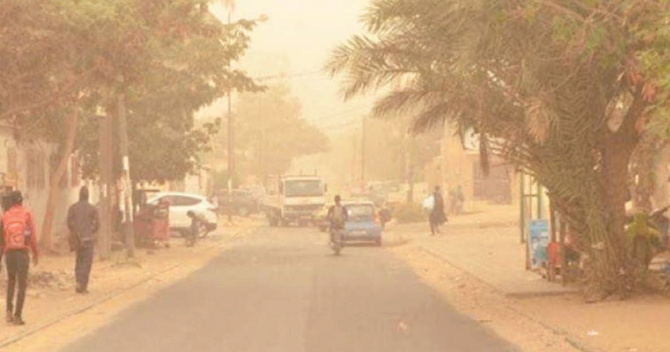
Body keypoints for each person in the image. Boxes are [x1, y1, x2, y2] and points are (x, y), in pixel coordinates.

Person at [0, 191, 38, 325]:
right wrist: (35, 253)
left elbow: (2, 240)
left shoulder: (5, 216)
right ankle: (17, 315)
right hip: (22, 253)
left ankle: (8, 311)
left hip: (9, 253)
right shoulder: (26, 214)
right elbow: (32, 236)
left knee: (11, 281)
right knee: (22, 284)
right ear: (21, 201)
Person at [67, 186, 100, 294]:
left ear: (79, 195)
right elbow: (98, 224)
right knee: (87, 263)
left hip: (77, 240)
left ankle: (78, 283)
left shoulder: (73, 208)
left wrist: (75, 231)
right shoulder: (92, 208)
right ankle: (83, 286)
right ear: (88, 196)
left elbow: (69, 223)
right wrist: (91, 231)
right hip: (88, 240)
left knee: (79, 261)